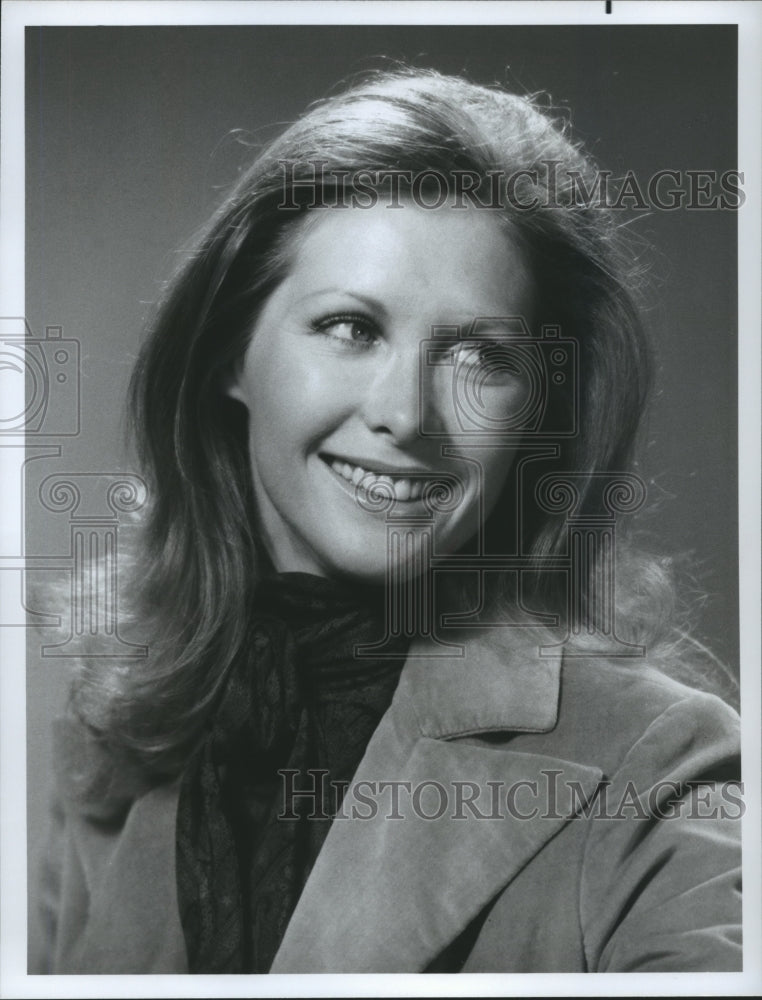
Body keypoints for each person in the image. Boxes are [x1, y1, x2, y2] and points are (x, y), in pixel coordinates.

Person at [33, 68, 741, 975]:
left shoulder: (665, 760)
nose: (406, 414)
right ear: (229, 355)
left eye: (481, 355)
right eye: (351, 328)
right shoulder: (113, 718)